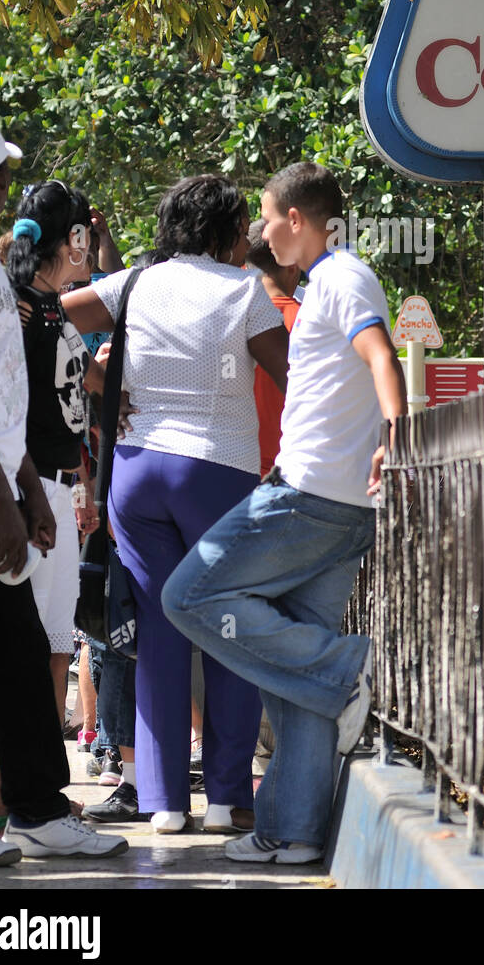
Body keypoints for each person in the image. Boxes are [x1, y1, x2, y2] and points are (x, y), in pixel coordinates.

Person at [162, 162, 407, 866]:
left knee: (188, 595)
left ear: (295, 219)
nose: (260, 232)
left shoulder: (341, 278)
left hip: (312, 499)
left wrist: (397, 434)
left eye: (266, 218)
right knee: (293, 666)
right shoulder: (324, 282)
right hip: (322, 493)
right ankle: (293, 831)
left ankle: (350, 666)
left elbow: (379, 355)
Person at [62, 175, 289, 834]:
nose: (248, 239)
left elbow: (55, 318)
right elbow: (288, 374)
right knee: (225, 626)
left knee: (158, 632)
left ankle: (161, 803)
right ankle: (223, 797)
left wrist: (103, 382)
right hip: (214, 473)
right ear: (222, 231)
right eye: (242, 227)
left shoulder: (132, 283)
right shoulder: (242, 288)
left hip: (135, 473)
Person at [0, 116, 128, 862]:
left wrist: (27, 486)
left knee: (15, 657)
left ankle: (29, 807)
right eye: (1, 179)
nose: (4, 192)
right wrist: (2, 495)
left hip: (0, 485)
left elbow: (3, 391)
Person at [5, 181, 104, 727]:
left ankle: (40, 782)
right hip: (27, 491)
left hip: (60, 492)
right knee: (18, 648)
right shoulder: (18, 307)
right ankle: (4, 795)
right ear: (72, 237)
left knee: (58, 640)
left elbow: (93, 384)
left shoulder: (53, 308)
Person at [245, 220, 302, 478]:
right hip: (296, 469)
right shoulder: (312, 320)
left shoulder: (228, 316)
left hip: (235, 465)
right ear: (292, 265)